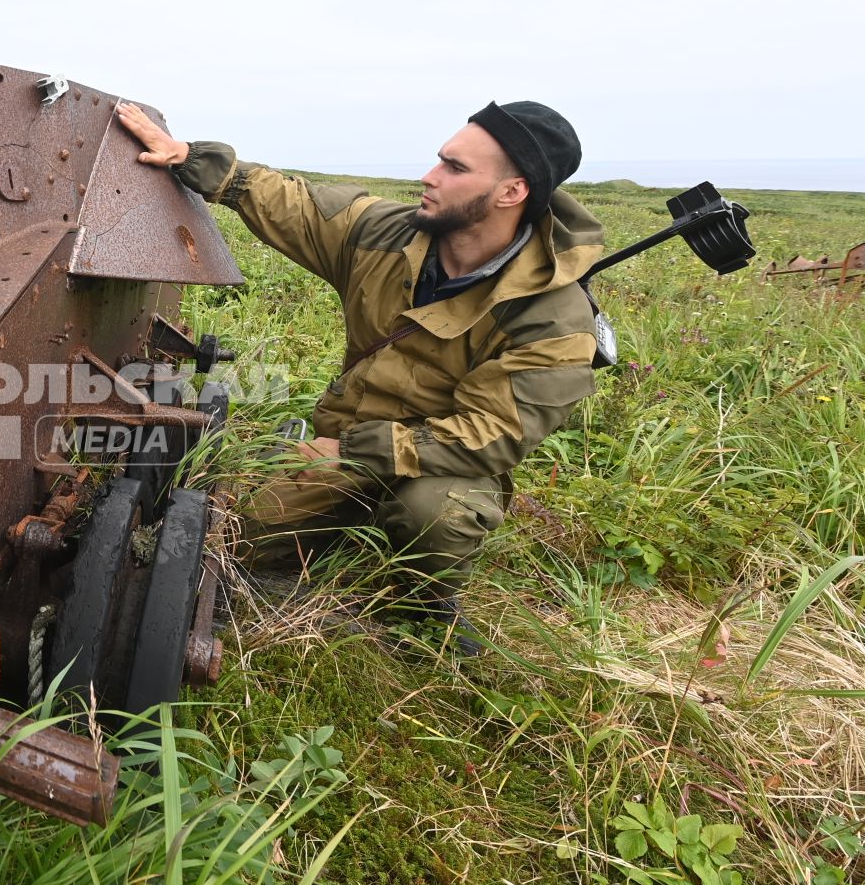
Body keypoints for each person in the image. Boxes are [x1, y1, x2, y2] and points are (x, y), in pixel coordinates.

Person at [115, 100, 606, 655]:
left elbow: (493, 433)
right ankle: (343, 525)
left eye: (455, 168)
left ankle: (425, 600)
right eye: (439, 160)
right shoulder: (387, 234)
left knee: (437, 517)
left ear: (511, 192)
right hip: (342, 442)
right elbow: (295, 204)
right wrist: (193, 161)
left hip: (440, 463)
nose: (429, 176)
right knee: (233, 538)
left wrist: (348, 448)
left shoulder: (555, 316)